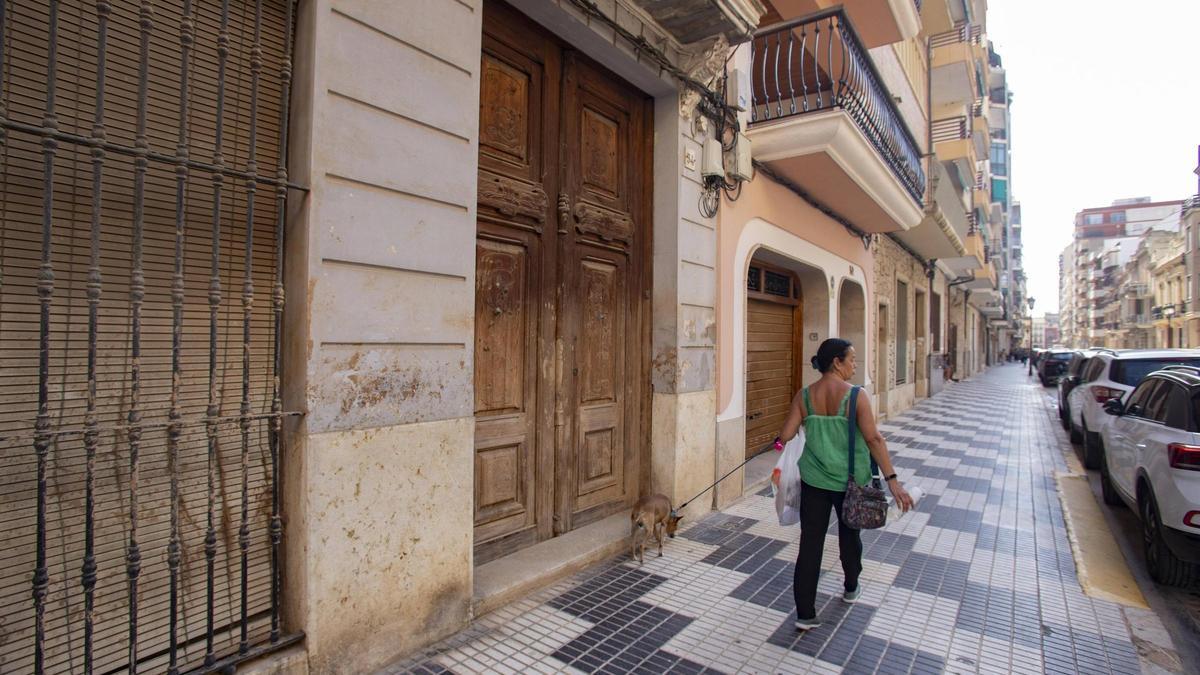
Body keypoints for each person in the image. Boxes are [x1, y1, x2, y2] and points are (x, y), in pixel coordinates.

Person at [776, 338, 914, 631]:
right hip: (851, 483)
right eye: (851, 359)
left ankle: (805, 613)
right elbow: (874, 439)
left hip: (814, 480)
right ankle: (851, 587)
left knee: (810, 545)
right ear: (836, 362)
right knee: (850, 537)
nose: (855, 364)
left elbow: (785, 434)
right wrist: (893, 481)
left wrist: (781, 440)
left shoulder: (805, 395)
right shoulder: (856, 396)